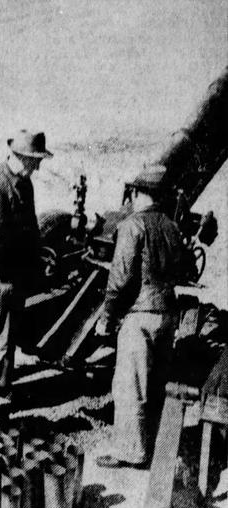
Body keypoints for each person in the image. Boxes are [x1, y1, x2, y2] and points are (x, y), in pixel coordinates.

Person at [94, 165, 186, 469]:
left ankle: (131, 452)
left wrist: (108, 313)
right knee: (157, 383)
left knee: (130, 386)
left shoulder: (133, 226)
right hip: (167, 314)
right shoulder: (172, 227)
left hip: (140, 316)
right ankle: (159, 446)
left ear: (137, 193)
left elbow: (120, 277)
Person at [0, 130, 51, 419]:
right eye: (35, 160)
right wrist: (6, 283)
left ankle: (3, 388)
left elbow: (31, 229)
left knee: (9, 337)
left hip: (16, 275)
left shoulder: (23, 183)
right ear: (21, 157)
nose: (39, 166)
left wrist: (38, 260)